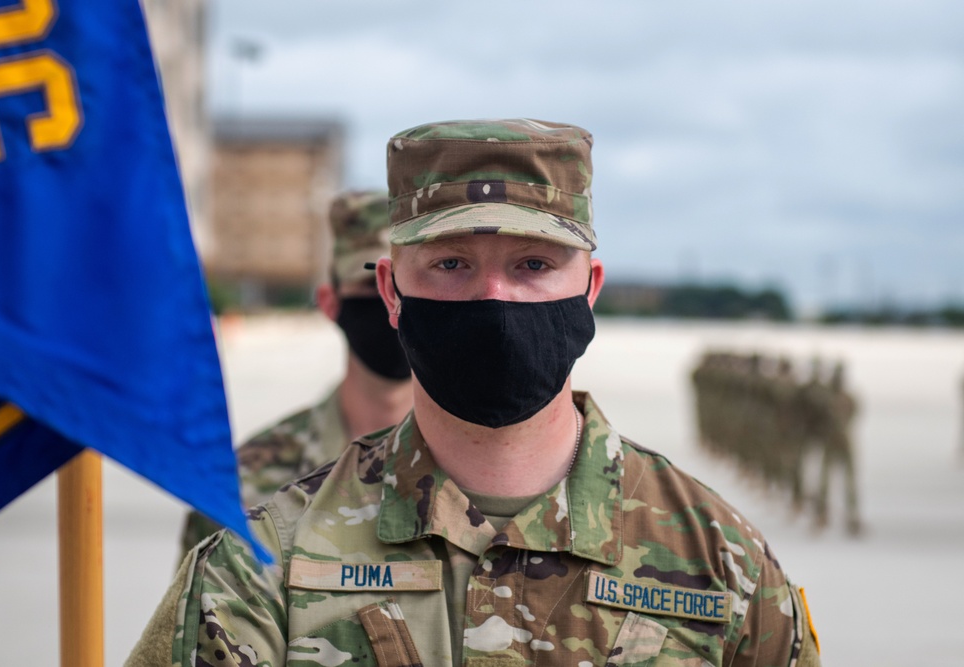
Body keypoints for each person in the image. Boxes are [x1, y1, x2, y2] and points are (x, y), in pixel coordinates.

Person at [128, 119, 821, 667]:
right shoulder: (264, 566)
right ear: (393, 292)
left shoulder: (722, 564)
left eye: (534, 264)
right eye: (452, 264)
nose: (493, 298)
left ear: (591, 288)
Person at [176, 190, 414, 560]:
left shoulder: (489, 469)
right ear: (329, 303)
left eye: (406, 284)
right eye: (372, 285)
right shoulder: (245, 481)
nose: (391, 300)